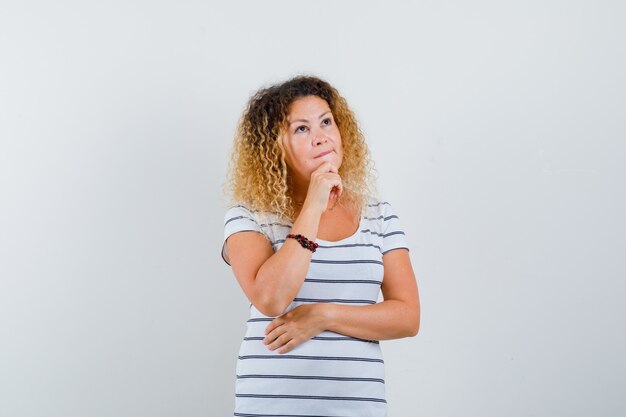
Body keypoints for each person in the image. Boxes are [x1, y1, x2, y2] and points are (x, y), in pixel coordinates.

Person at [221, 75, 420, 416]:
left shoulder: (378, 215)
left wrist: (323, 315)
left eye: (326, 121)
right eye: (301, 128)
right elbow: (271, 299)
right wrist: (313, 205)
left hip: (357, 407)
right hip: (271, 405)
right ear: (273, 145)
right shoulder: (250, 216)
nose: (321, 137)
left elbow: (407, 317)